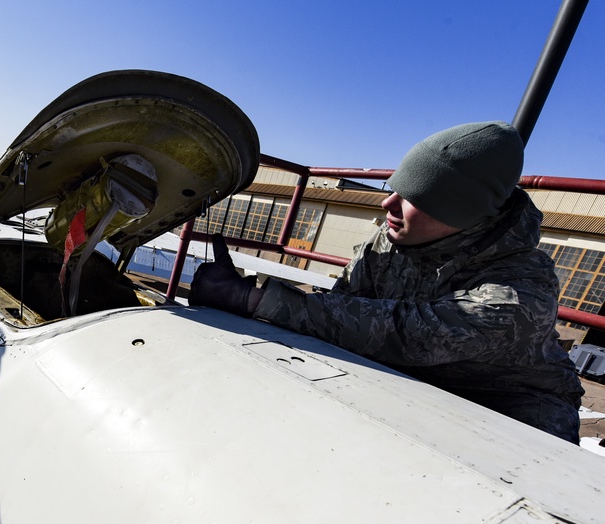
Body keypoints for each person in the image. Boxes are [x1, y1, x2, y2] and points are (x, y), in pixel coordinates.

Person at [189, 121, 584, 443]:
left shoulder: (521, 287)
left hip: (508, 404)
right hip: (413, 380)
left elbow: (411, 335)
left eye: (416, 196)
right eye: (394, 187)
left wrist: (253, 300)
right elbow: (343, 311)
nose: (387, 204)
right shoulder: (390, 240)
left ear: (462, 213)